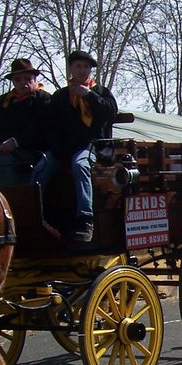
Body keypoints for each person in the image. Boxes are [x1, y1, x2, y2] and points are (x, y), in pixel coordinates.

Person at [34, 50, 118, 243]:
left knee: (80, 165)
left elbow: (110, 112)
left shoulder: (100, 92)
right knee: (39, 169)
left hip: (92, 147)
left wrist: (88, 95)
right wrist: (57, 146)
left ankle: (85, 219)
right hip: (63, 149)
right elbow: (50, 125)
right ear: (71, 69)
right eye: (78, 66)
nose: (82, 70)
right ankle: (36, 217)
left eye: (86, 67)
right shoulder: (61, 96)